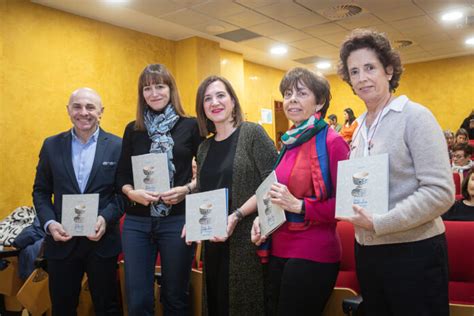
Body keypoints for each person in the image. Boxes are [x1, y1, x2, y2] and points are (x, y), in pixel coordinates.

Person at [336, 29, 454, 316]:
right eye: (354, 71)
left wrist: (381, 222)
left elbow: (441, 192)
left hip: (414, 252)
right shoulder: (361, 126)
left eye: (369, 67)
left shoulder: (415, 116)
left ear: (388, 70)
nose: (362, 77)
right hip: (368, 252)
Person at [251, 67, 350, 316]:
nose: (292, 99)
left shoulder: (332, 142)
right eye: (287, 93)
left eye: (301, 93)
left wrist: (300, 206)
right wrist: (261, 219)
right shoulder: (289, 141)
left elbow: (346, 204)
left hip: (313, 252)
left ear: (320, 102)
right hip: (279, 247)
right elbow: (277, 194)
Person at [116, 64, 203, 315]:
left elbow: (207, 174)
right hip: (137, 222)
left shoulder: (192, 125)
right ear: (141, 93)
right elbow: (121, 175)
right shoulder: (133, 129)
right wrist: (132, 193)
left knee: (175, 296)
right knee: (138, 299)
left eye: (160, 86)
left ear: (171, 89)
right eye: (147, 88)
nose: (154, 93)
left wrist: (186, 189)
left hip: (176, 221)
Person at [33, 87, 122, 316]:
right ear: (68, 110)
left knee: (108, 308)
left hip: (102, 242)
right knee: (62, 308)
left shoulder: (118, 146)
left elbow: (122, 194)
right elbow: (41, 192)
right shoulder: (51, 145)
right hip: (62, 242)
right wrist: (50, 223)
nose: (84, 112)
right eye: (77, 106)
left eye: (90, 107)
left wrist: (105, 218)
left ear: (101, 112)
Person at [194, 75, 277, 316]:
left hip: (248, 238)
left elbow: (272, 182)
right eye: (207, 98)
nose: (214, 102)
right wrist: (192, 222)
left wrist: (238, 214)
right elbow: (203, 192)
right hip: (214, 239)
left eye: (220, 95)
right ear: (202, 108)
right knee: (217, 301)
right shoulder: (204, 148)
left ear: (232, 100)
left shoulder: (252, 133)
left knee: (244, 304)